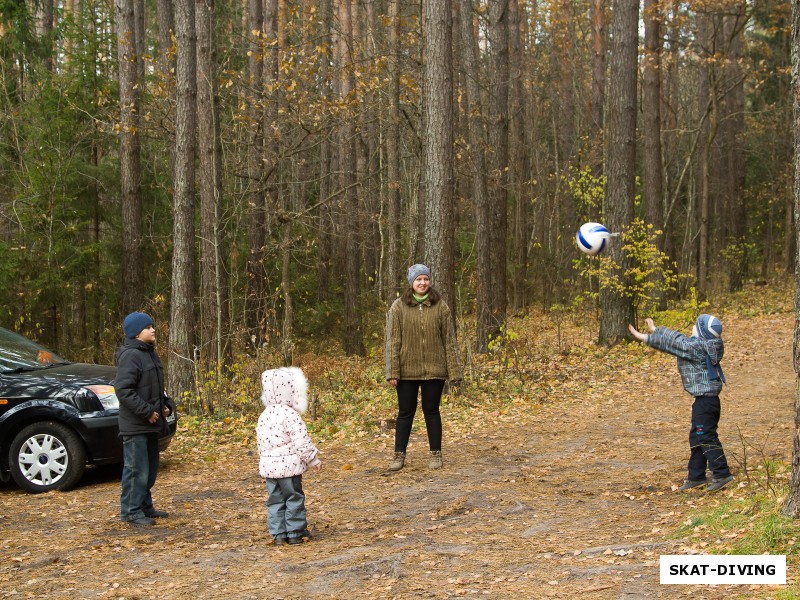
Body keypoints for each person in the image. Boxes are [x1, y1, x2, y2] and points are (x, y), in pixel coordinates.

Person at [629, 314, 734, 492]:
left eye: (695, 326)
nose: (692, 328)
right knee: (697, 436)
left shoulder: (696, 348)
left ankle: (722, 473)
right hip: (707, 401)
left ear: (700, 332)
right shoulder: (707, 344)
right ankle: (696, 476)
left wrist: (646, 338)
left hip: (705, 403)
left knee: (706, 436)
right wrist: (657, 330)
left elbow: (675, 345)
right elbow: (680, 339)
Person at [385, 264, 462, 471]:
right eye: (418, 279)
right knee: (405, 412)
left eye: (426, 279)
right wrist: (392, 371)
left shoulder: (440, 306)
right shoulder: (398, 307)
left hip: (434, 370)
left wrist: (454, 371)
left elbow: (449, 339)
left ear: (430, 281)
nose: (422, 283)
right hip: (407, 370)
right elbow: (392, 341)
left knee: (432, 410)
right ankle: (398, 455)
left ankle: (435, 454)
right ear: (412, 282)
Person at [115, 312, 175, 527]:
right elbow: (123, 390)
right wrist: (147, 411)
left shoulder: (150, 353)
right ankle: (130, 511)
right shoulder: (131, 355)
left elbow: (157, 389)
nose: (153, 329)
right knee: (136, 469)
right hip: (136, 425)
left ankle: (144, 506)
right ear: (136, 333)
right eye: (147, 327)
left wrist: (165, 407)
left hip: (151, 424)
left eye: (152, 326)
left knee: (149, 468)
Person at [256, 366, 321, 545]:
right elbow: (302, 442)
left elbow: (261, 443)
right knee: (293, 497)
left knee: (275, 500)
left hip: (270, 469)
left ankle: (278, 534)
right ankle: (294, 532)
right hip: (289, 468)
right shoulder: (291, 415)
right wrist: (313, 459)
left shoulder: (264, 416)